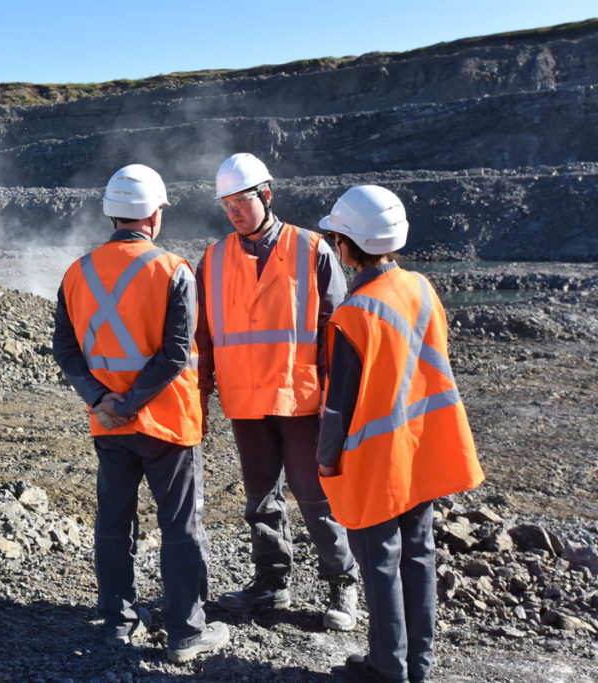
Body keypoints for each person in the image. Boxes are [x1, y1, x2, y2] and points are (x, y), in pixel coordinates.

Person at [52, 164, 229, 664]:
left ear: (112, 213)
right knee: (179, 526)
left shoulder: (76, 272)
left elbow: (64, 348)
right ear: (154, 214)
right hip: (166, 423)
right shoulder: (174, 270)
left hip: (108, 425)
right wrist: (129, 403)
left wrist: (101, 401)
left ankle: (117, 622)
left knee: (113, 522)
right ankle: (185, 633)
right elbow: (175, 355)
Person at [316, 185, 485, 683]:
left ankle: (387, 669)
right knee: (419, 555)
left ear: (347, 247)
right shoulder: (421, 288)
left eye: (335, 237)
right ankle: (418, 666)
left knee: (380, 564)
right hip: (424, 447)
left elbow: (337, 405)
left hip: (376, 460)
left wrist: (327, 460)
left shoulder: (352, 315)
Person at [195, 153, 359, 630]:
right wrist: (201, 397)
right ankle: (272, 583)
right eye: (226, 204)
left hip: (301, 400)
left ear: (266, 195)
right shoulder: (215, 257)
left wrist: (337, 409)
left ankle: (342, 583)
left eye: (241, 201)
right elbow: (203, 338)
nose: (234, 212)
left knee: (315, 498)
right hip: (246, 402)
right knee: (261, 500)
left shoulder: (313, 249)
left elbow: (336, 334)